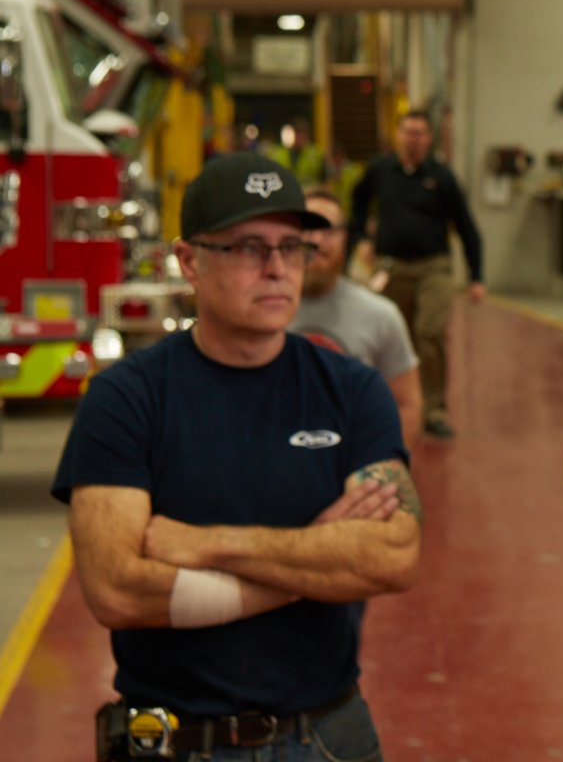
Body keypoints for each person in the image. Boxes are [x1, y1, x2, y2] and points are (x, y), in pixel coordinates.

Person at [52, 152, 422, 761]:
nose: (278, 269)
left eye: (293, 247)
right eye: (249, 247)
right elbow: (117, 590)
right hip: (175, 740)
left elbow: (393, 557)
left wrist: (209, 544)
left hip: (327, 737)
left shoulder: (352, 390)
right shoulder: (127, 399)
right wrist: (315, 561)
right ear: (190, 261)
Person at [351, 109, 485, 440]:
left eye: (420, 133)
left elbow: (467, 227)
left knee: (429, 332)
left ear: (429, 139)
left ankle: (434, 409)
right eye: (408, 132)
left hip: (433, 267)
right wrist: (359, 240)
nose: (413, 139)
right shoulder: (380, 170)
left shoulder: (441, 177)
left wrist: (476, 275)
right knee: (392, 336)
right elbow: (356, 204)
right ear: (397, 135)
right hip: (390, 267)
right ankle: (385, 404)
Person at [292, 189, 423, 447]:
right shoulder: (259, 313)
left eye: (328, 229)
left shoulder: (381, 316)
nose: (316, 240)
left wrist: (386, 470)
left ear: (345, 238)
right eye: (306, 228)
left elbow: (407, 404)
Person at [265, 117, 327, 187]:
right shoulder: (277, 152)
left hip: (309, 194)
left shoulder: (316, 153)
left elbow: (326, 177)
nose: (299, 137)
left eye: (302, 133)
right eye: (297, 133)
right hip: (285, 193)